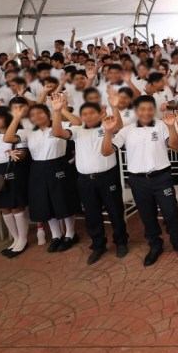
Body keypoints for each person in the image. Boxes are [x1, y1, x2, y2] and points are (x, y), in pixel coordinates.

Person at [102, 95, 178, 266]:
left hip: (162, 177)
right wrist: (108, 131)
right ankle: (155, 245)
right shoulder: (126, 130)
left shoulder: (162, 125)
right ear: (136, 111)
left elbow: (175, 145)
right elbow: (106, 152)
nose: (146, 112)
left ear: (154, 110)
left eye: (150, 108)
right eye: (142, 109)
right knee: (147, 215)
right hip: (138, 180)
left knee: (171, 212)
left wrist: (171, 127)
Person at [50, 94, 129, 263]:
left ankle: (121, 242)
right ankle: (98, 245)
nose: (88, 116)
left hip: (107, 177)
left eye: (92, 113)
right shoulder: (77, 130)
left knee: (115, 211)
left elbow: (119, 126)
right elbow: (57, 132)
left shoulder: (107, 126)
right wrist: (57, 111)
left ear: (99, 114)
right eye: (84, 114)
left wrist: (114, 107)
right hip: (85, 180)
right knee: (92, 214)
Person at [10, 101, 80, 253]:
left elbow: (78, 123)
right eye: (33, 115)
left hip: (58, 166)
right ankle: (56, 235)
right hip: (38, 169)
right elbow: (8, 138)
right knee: (46, 202)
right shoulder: (28, 132)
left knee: (63, 201)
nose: (37, 116)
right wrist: (16, 118)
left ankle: (70, 234)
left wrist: (60, 110)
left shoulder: (59, 125)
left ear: (48, 114)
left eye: (40, 113)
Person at [0, 107, 31, 258]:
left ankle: (23, 239)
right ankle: (15, 238)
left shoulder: (20, 132)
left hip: (11, 169)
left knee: (15, 206)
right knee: (3, 208)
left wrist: (14, 154)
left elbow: (22, 154)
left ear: (8, 118)